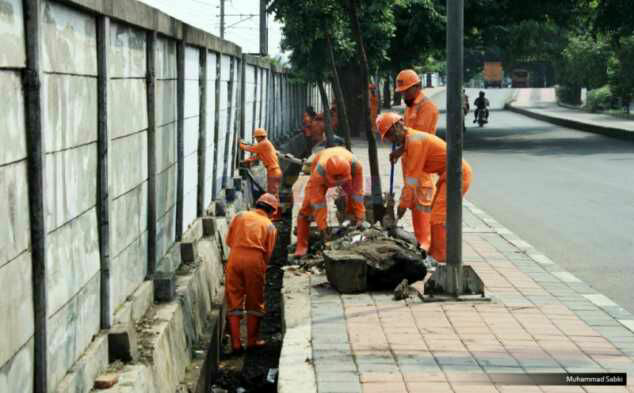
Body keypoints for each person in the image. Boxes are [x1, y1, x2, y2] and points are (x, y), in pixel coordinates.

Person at [375, 112, 473, 263]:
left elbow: (412, 179)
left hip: (457, 175)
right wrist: (400, 151)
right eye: (387, 137)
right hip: (449, 175)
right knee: (436, 214)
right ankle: (433, 254)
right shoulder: (411, 138)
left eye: (390, 135)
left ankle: (439, 257)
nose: (390, 140)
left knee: (437, 217)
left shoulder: (414, 141)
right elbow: (414, 145)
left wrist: (402, 205)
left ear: (398, 126)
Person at [225, 193, 279, 353]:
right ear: (272, 212)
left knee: (234, 299)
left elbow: (229, 241)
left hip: (234, 258)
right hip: (254, 261)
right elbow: (268, 254)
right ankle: (251, 341)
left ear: (257, 204)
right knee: (255, 301)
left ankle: (235, 344)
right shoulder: (270, 226)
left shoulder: (240, 215)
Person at [393, 69, 439, 251]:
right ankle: (422, 245)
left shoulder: (427, 107)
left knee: (422, 207)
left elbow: (418, 140)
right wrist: (399, 151)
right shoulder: (410, 106)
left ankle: (426, 248)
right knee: (415, 206)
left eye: (406, 91)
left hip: (421, 168)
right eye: (402, 92)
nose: (404, 95)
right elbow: (408, 137)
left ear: (417, 87)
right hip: (411, 165)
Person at [294, 146, 365, 257]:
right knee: (306, 209)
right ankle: (301, 246)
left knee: (353, 199)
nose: (338, 183)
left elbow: (358, 193)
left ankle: (351, 226)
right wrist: (323, 228)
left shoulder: (356, 167)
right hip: (322, 172)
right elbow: (318, 203)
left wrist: (360, 215)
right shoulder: (318, 174)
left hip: (346, 171)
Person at [239, 128, 282, 195]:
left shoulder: (263, 144)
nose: (256, 140)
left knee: (272, 194)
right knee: (273, 193)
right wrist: (248, 160)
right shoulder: (266, 143)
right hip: (274, 171)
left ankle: (273, 205)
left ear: (260, 137)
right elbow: (258, 156)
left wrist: (240, 145)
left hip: (273, 171)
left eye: (256, 138)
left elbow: (251, 149)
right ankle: (274, 204)